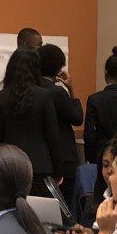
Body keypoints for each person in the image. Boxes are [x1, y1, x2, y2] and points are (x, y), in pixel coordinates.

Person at [0, 48, 64, 191]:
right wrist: (59, 170)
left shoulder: (0, 97)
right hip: (41, 164)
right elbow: (53, 136)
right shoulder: (44, 96)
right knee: (39, 209)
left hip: (10, 164)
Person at [38, 43, 83, 211]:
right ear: (59, 67)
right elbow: (77, 118)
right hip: (64, 158)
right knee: (64, 208)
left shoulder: (33, 90)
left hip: (42, 158)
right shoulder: (57, 92)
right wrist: (71, 89)